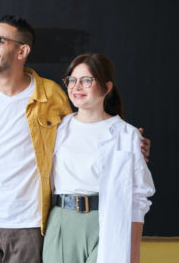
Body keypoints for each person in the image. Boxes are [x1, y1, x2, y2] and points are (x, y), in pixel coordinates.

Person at [0, 16, 151, 263]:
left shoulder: (51, 94)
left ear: (22, 50)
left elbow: (86, 128)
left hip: (29, 222)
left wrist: (132, 145)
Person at [42, 53, 155, 263]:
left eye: (86, 80)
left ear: (107, 87)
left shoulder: (127, 134)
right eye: (72, 80)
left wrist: (133, 251)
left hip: (107, 220)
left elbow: (139, 197)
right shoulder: (57, 128)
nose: (76, 87)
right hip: (61, 221)